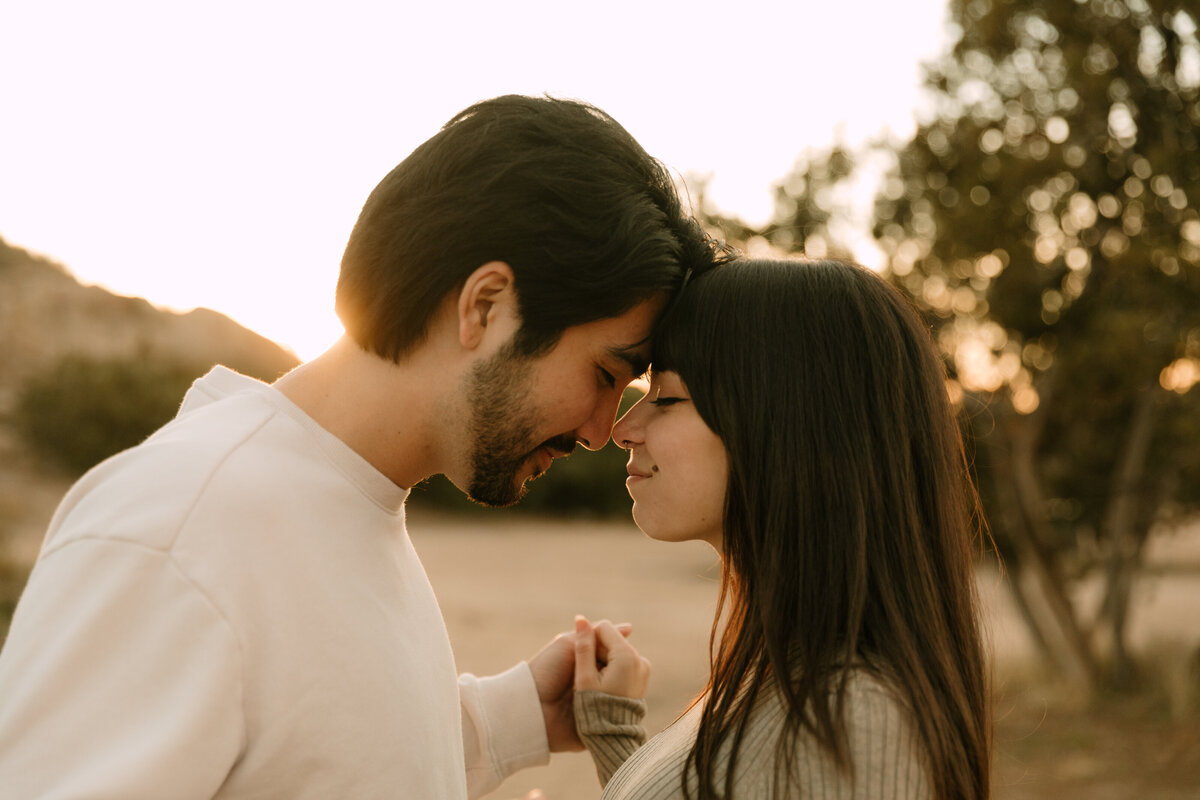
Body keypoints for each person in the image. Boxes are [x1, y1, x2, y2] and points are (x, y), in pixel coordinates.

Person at [0, 95, 721, 798]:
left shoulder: (340, 502)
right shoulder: (176, 532)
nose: (600, 431)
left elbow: (314, 755)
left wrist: (507, 719)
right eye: (604, 375)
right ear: (486, 306)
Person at [571, 258, 992, 799]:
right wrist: (612, 730)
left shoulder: (856, 721)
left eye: (668, 398)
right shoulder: (792, 672)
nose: (623, 429)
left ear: (790, 427)